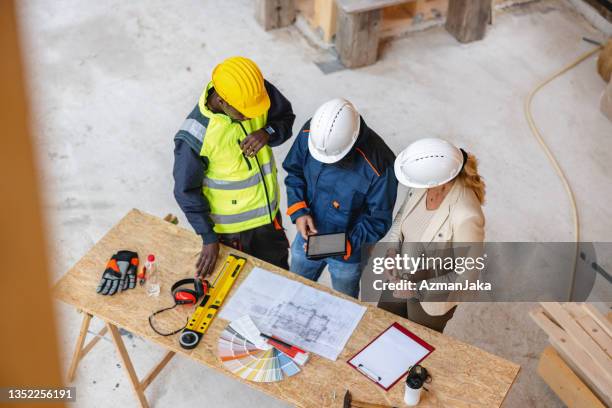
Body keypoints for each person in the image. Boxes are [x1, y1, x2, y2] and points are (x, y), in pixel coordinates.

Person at [173, 56, 295, 277]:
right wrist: (208, 238)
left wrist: (268, 132)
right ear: (222, 101)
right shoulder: (195, 136)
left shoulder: (253, 93)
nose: (251, 115)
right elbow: (185, 191)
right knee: (236, 292)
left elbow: (286, 118)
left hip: (268, 220)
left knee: (280, 281)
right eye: (243, 112)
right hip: (233, 234)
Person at [283, 98, 398, 298]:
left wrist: (334, 245)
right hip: (306, 237)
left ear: (351, 142)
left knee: (344, 302)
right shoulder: (313, 132)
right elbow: (294, 172)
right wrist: (299, 211)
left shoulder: (380, 165)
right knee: (294, 289)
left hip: (347, 255)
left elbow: (378, 220)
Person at [377, 138, 485, 333]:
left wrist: (417, 289)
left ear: (438, 179)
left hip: (430, 299)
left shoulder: (467, 214)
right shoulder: (422, 183)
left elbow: (467, 275)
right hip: (399, 278)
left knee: (415, 344)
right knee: (382, 328)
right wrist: (392, 251)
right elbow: (401, 219)